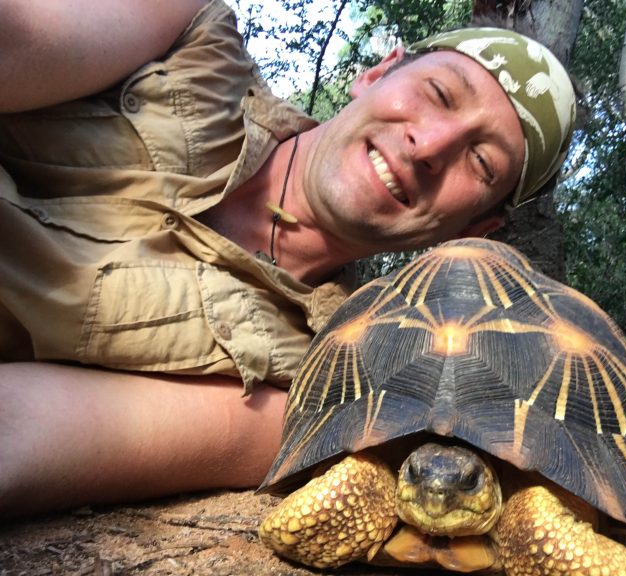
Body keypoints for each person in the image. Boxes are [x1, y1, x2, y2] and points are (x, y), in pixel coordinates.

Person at [0, 0, 576, 518]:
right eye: (439, 93)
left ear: (474, 228)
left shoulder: (324, 384)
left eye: (480, 163)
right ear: (376, 72)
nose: (429, 146)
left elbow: (25, 433)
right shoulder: (188, 33)